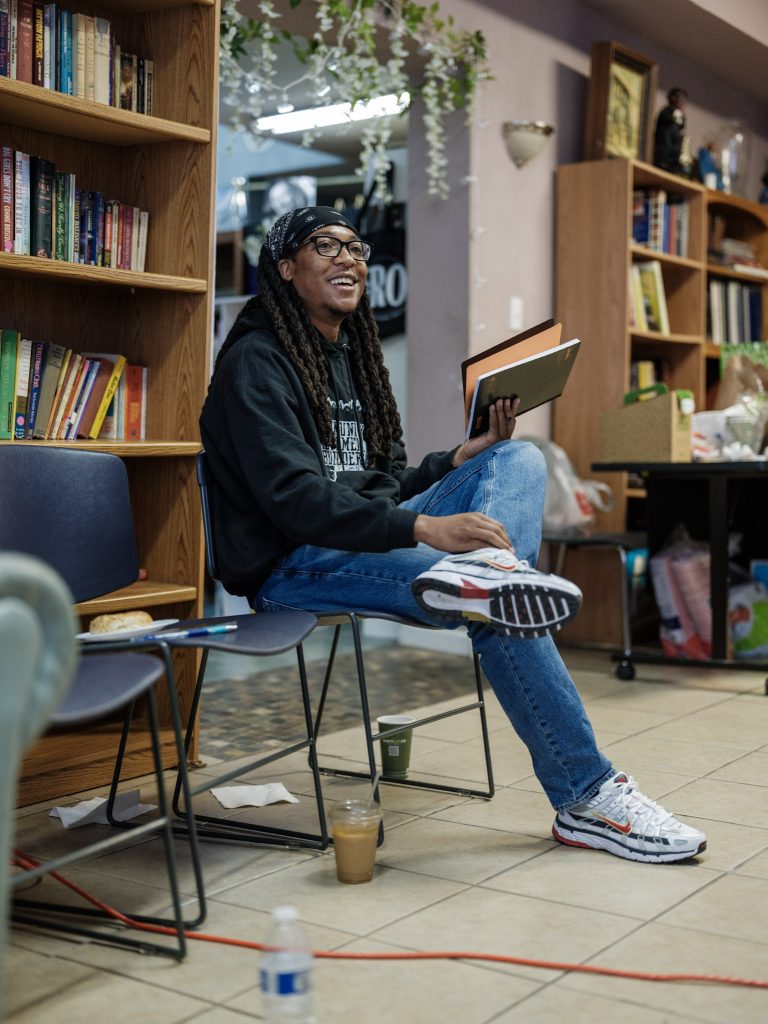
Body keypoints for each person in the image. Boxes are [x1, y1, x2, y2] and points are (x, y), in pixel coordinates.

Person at [200, 206, 707, 864]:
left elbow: (378, 486)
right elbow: (298, 504)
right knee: (490, 606)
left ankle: (495, 578)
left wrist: (456, 462)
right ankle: (586, 795)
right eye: (325, 246)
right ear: (286, 267)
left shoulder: (352, 358)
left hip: (355, 541)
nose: (348, 258)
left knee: (515, 460)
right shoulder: (255, 366)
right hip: (289, 565)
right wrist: (426, 527)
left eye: (356, 248)